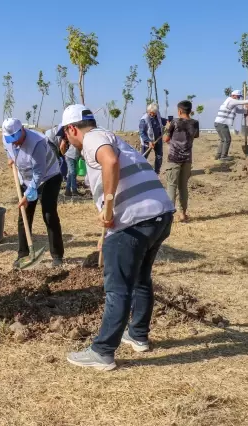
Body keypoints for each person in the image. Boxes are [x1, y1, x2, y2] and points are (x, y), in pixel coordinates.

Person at [58, 105, 175, 371]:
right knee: (141, 279)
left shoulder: (93, 138)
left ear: (72, 129)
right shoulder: (113, 137)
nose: (68, 141)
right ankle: (137, 335)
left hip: (134, 221)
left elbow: (109, 162)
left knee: (118, 288)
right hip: (160, 215)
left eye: (67, 135)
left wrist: (109, 209)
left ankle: (102, 352)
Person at [2, 118, 65, 268]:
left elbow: (39, 174)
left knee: (49, 214)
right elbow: (8, 150)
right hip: (26, 179)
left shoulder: (37, 143)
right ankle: (23, 254)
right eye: (11, 140)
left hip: (49, 177)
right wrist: (10, 158)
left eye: (16, 139)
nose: (14, 143)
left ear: (23, 130)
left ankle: (57, 256)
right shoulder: (7, 138)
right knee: (24, 215)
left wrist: (28, 196)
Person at [163, 100, 199, 222]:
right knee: (183, 187)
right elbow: (194, 136)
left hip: (174, 158)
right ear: (190, 110)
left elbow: (166, 138)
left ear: (179, 111)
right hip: (187, 159)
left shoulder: (175, 122)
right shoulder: (195, 123)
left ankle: (169, 215)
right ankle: (183, 214)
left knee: (171, 186)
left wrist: (167, 128)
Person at [214, 89, 248, 161]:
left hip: (219, 123)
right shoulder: (231, 100)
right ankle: (223, 157)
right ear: (234, 95)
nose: (239, 98)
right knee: (227, 139)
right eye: (238, 96)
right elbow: (243, 102)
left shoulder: (231, 103)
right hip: (221, 123)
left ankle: (218, 155)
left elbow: (239, 111)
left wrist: (246, 111)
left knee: (223, 140)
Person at [139, 103, 165, 174]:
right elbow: (142, 133)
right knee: (143, 157)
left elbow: (161, 120)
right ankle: (141, 172)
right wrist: (149, 141)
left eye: (153, 113)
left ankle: (156, 172)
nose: (152, 115)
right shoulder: (144, 120)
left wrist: (167, 121)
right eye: (150, 113)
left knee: (159, 156)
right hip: (147, 142)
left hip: (158, 140)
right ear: (148, 111)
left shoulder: (158, 115)